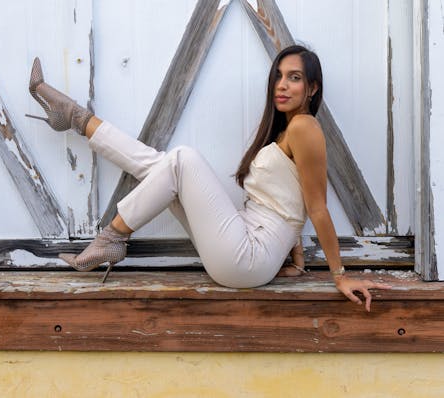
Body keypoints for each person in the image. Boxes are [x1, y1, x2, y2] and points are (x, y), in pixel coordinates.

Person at [26, 45, 391, 311]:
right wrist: (295, 258)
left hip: (247, 257)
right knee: (162, 166)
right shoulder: (287, 131)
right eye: (278, 76)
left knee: (183, 159)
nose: (282, 85)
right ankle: (73, 116)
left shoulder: (306, 127)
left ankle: (113, 236)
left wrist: (339, 275)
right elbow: (290, 198)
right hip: (245, 243)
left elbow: (317, 207)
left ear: (312, 88)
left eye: (294, 78)